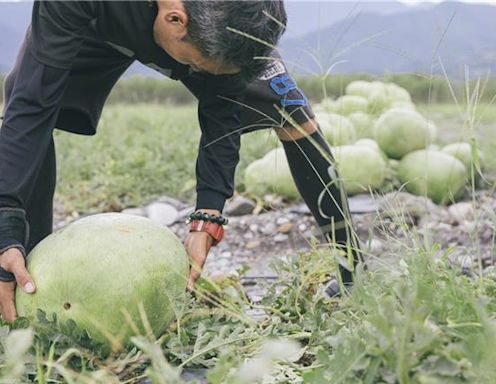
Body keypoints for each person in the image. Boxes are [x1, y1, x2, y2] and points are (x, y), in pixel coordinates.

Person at [0, 0, 361, 322]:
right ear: (175, 19)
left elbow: (223, 111)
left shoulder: (229, 22)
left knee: (292, 112)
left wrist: (208, 215)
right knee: (28, 93)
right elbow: (32, 107)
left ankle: (352, 269)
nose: (198, 75)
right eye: (194, 65)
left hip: (211, 22)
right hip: (101, 21)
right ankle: (24, 275)